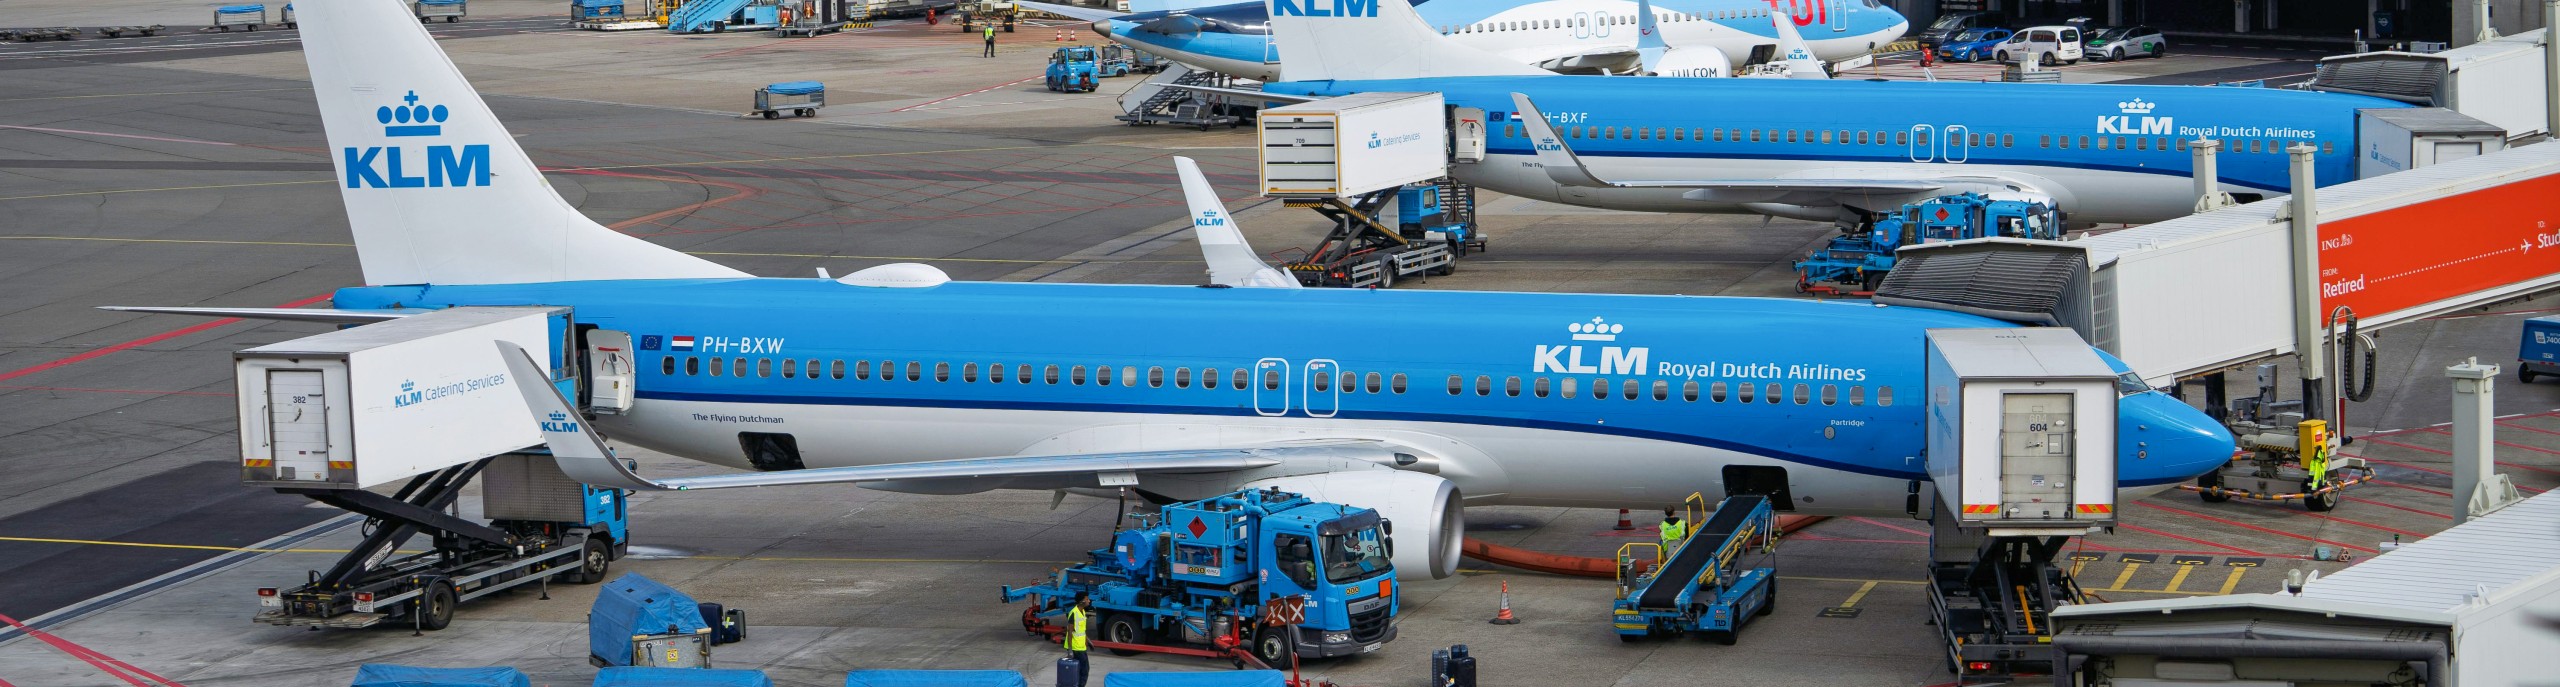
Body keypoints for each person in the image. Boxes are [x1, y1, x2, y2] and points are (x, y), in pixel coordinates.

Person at [1064, 592, 1092, 687]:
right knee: (1084, 670)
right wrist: (1070, 650)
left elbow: (1081, 630)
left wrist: (1088, 640)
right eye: (1087, 599)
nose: (1089, 600)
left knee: (1081, 670)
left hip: (1081, 646)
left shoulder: (1083, 611)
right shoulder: (1073, 613)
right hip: (1076, 647)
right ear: (1082, 601)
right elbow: (1070, 632)